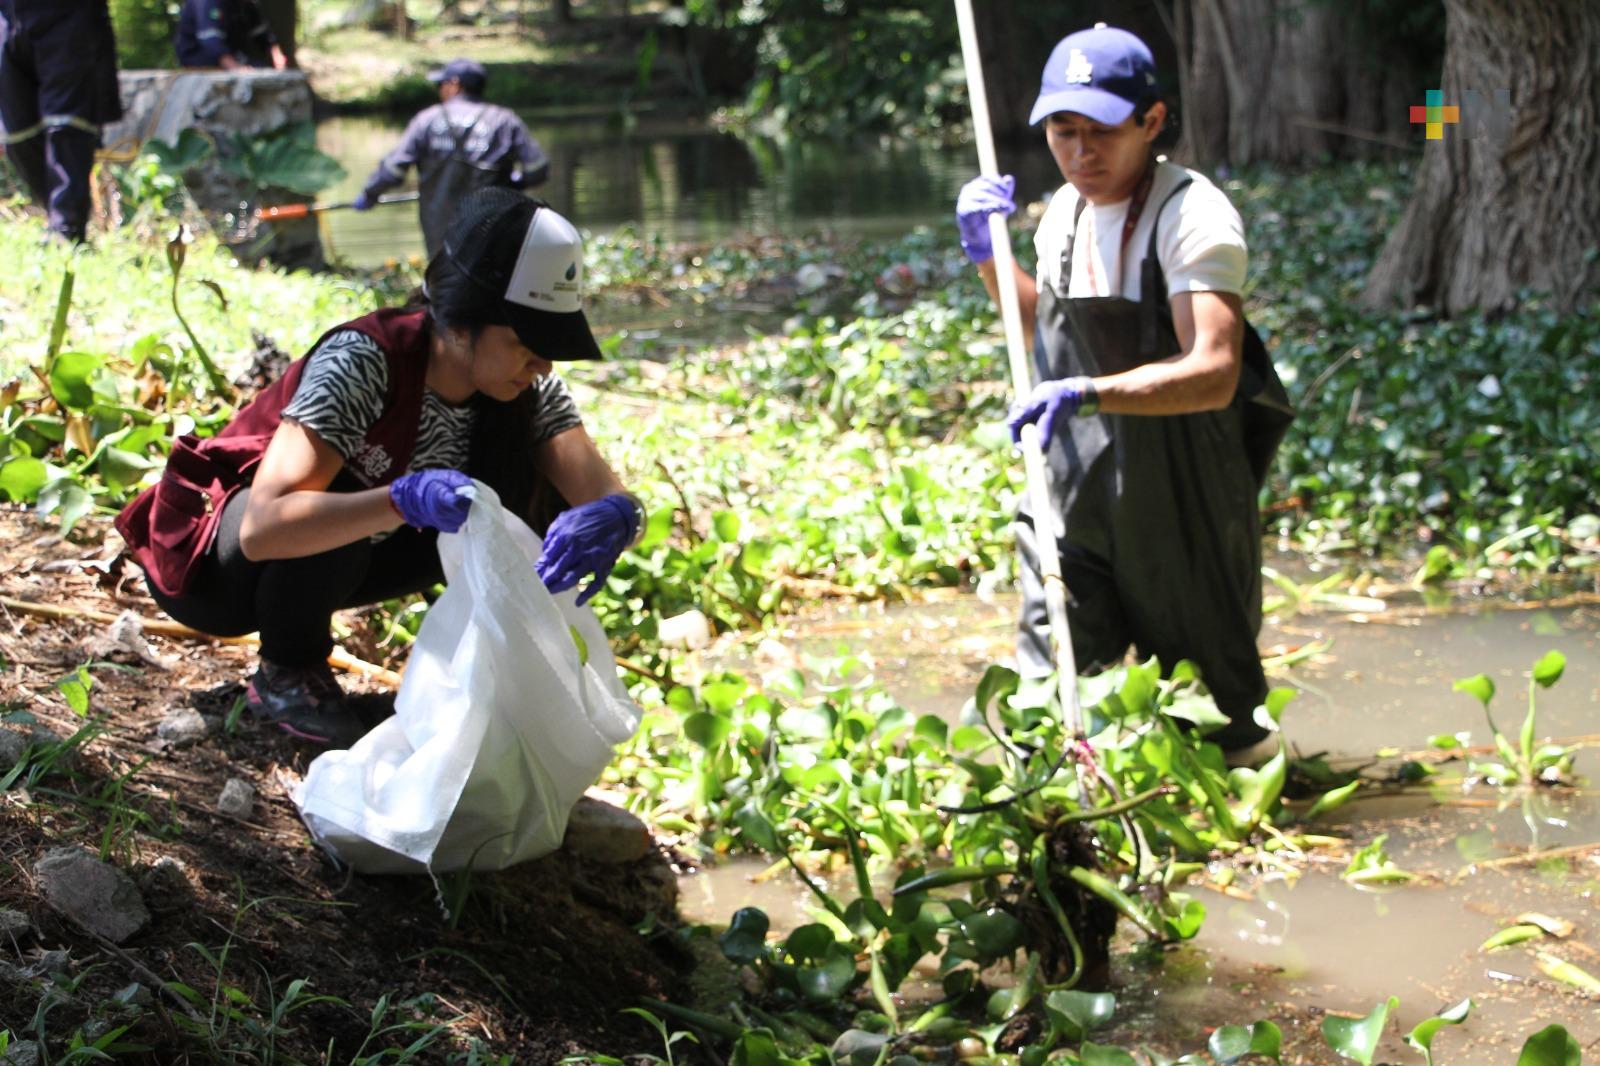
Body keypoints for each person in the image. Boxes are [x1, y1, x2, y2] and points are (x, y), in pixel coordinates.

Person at [116, 189, 643, 749]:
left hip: (358, 551)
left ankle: (479, 675)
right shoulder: (366, 361)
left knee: (533, 509)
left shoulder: (527, 389)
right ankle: (288, 671)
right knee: (339, 514)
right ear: (461, 321)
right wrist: (399, 499)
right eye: (524, 343)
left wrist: (616, 518)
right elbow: (263, 525)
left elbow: (605, 496)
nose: (542, 363)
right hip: (219, 571)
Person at [955, 25, 1292, 756]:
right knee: (1056, 690)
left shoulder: (1191, 215)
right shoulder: (1063, 218)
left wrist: (1086, 393)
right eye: (1062, 132)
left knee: (1218, 718)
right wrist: (990, 254)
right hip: (1075, 490)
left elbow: (1214, 370)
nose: (1081, 154)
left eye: (1102, 132)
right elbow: (1041, 328)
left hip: (1180, 498)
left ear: (1153, 121)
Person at [354, 58, 550, 259]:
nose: (439, 90)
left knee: (444, 280)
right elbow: (538, 169)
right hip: (493, 225)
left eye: (441, 84)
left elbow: (393, 169)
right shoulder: (504, 120)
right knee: (493, 278)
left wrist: (370, 194)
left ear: (454, 85)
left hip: (440, 227)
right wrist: (517, 182)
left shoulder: (426, 121)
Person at [0, 0, 122, 243]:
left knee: (67, 126)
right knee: (16, 134)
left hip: (69, 16)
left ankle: (66, 229)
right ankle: (57, 215)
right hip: (9, 14)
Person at [175, 0, 289, 71]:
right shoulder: (210, 2)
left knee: (261, 69)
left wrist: (277, 57)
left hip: (231, 55)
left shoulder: (247, 4)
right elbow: (211, 42)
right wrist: (237, 69)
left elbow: (263, 35)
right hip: (199, 58)